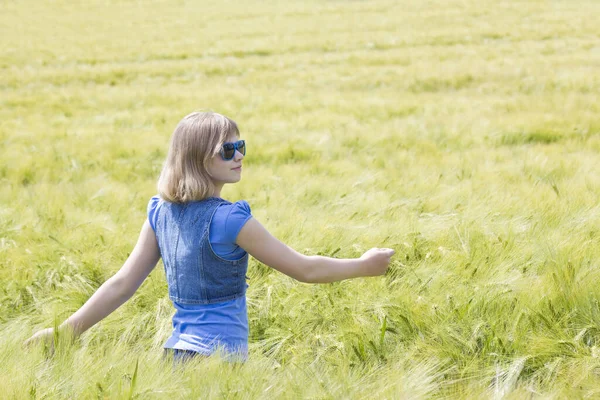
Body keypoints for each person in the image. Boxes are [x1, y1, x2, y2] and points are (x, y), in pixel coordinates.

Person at [23, 111, 395, 363]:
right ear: (200, 158)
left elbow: (122, 285)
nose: (239, 156)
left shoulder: (159, 211)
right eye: (227, 150)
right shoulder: (231, 220)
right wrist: (365, 265)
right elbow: (304, 269)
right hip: (219, 362)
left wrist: (65, 332)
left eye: (241, 146)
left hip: (176, 357)